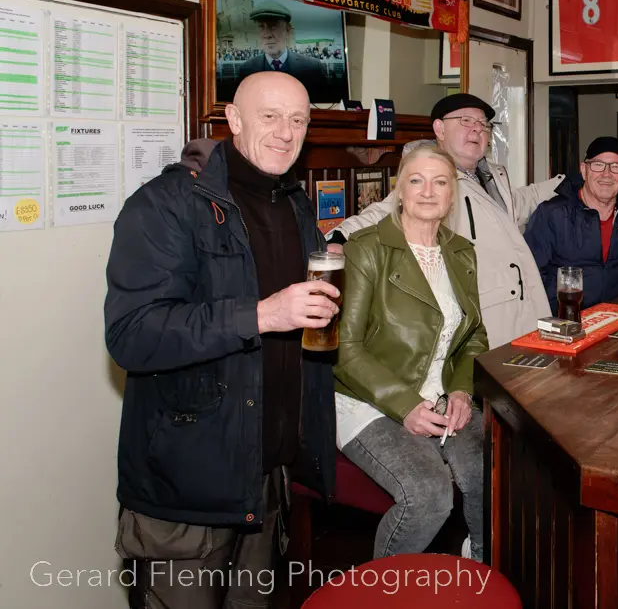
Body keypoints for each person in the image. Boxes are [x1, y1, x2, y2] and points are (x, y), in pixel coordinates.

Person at [104, 72, 337, 607]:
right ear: (232, 119)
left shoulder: (297, 205)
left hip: (267, 478)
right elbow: (131, 335)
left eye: (299, 120)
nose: (286, 132)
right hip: (188, 486)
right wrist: (260, 315)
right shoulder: (166, 204)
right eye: (270, 116)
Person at [335, 143, 488, 560]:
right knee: (429, 494)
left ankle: (479, 567)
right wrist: (406, 406)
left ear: (452, 194)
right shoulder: (366, 249)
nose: (427, 191)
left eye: (440, 182)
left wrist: (459, 392)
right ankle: (381, 593)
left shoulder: (461, 252)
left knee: (492, 472)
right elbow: (344, 352)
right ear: (399, 190)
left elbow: (473, 337)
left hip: (440, 397)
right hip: (368, 398)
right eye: (416, 181)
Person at [330, 93, 563, 348]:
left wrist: (567, 184)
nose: (477, 128)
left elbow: (520, 202)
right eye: (466, 120)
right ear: (439, 128)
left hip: (522, 307)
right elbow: (388, 209)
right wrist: (340, 237)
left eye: (483, 124)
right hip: (486, 317)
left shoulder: (492, 174)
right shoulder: (433, 176)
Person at [525, 136, 618, 312]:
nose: (606, 174)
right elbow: (528, 276)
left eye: (616, 167)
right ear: (584, 170)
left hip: (617, 318)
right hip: (564, 321)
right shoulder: (552, 214)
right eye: (598, 165)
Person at [236, 3, 329, 99]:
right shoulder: (246, 70)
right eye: (261, 27)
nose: (267, 34)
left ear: (288, 30)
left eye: (273, 26)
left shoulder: (312, 68)